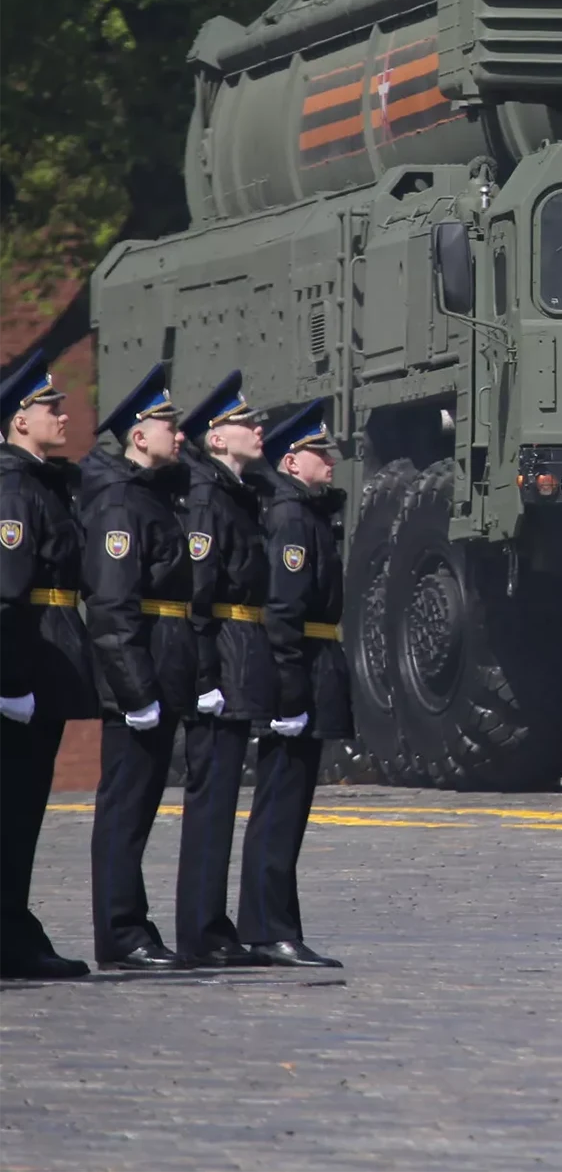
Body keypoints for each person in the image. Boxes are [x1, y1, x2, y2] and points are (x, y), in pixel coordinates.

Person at [82, 362, 194, 970]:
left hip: (160, 668)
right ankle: (121, 933)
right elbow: (112, 601)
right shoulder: (121, 504)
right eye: (166, 423)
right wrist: (135, 689)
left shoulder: (152, 497)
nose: (177, 433)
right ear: (137, 433)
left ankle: (131, 927)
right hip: (139, 677)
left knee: (139, 808)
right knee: (124, 810)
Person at [240, 400, 350, 969]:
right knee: (280, 807)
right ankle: (266, 929)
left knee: (288, 809)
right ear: (291, 460)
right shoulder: (290, 517)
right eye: (318, 453)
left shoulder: (306, 513)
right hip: (298, 671)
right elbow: (283, 609)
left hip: (311, 664)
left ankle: (275, 924)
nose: (329, 462)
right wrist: (291, 691)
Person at [0, 354, 97, 979]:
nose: (62, 413)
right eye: (48, 406)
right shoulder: (13, 487)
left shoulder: (36, 482)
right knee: (12, 811)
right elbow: (6, 591)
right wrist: (9, 685)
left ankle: (14, 928)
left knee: (23, 812)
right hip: (23, 668)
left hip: (41, 664)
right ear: (16, 420)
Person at [177, 372, 271, 968]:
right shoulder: (209, 498)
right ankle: (200, 930)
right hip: (223, 656)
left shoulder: (235, 492)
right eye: (245, 422)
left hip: (239, 651)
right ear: (215, 440)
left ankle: (213, 926)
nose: (258, 429)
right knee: (211, 802)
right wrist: (207, 678)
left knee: (221, 803)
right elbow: (199, 596)